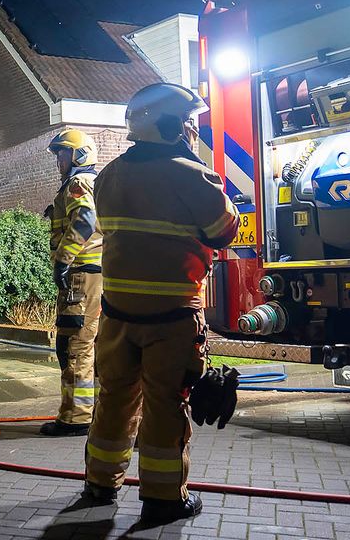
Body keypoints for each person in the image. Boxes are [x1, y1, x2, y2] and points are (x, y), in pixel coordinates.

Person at [83, 83, 239, 524]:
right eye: (188, 123)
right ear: (170, 126)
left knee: (113, 398)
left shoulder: (108, 176)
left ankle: (100, 483)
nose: (192, 131)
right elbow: (225, 230)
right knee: (167, 404)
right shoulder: (191, 176)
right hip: (171, 318)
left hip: (116, 316)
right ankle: (164, 497)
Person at [41, 129, 103, 437]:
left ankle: (76, 418)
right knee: (95, 347)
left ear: (79, 156)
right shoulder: (92, 183)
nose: (59, 161)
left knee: (74, 345)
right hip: (96, 276)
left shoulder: (78, 184)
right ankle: (97, 413)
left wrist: (63, 260)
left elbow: (84, 220)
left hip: (81, 274)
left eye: (63, 155)